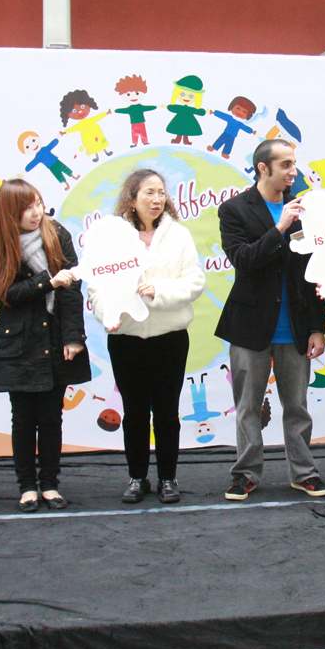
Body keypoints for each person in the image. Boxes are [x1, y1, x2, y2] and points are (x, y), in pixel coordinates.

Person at [215, 139, 325, 501]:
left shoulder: (306, 210)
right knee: (248, 407)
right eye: (285, 165)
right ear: (263, 168)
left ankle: (304, 473)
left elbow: (313, 273)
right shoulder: (234, 209)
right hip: (249, 326)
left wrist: (318, 327)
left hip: (295, 327)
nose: (293, 171)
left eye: (294, 163)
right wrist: (279, 227)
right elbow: (244, 260)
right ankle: (245, 474)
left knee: (297, 407)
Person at [92, 169, 205, 504]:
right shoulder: (113, 237)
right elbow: (97, 285)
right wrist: (108, 315)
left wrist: (159, 290)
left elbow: (194, 282)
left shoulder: (179, 235)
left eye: (161, 193)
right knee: (135, 412)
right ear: (131, 199)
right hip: (126, 338)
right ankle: (137, 477)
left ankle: (168, 478)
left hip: (169, 337)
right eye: (149, 193)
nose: (157, 200)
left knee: (167, 412)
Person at [0, 179, 90, 512]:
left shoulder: (56, 235)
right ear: (9, 212)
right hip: (20, 342)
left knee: (52, 418)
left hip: (55, 339)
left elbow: (72, 289)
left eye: (38, 204)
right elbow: (6, 294)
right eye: (26, 208)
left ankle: (50, 485)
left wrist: (73, 337)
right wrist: (47, 281)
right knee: (23, 419)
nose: (35, 213)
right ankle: (27, 487)